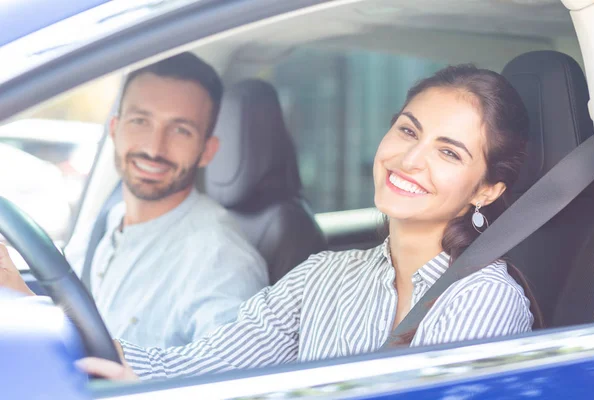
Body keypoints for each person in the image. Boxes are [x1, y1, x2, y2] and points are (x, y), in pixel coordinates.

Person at [3, 64, 540, 381]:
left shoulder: (482, 299)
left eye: (448, 153)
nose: (409, 160)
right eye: (407, 131)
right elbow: (198, 368)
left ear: (487, 189)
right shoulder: (324, 277)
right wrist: (36, 314)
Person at [0, 52, 269, 349]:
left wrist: (27, 304)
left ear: (207, 150)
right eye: (141, 121)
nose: (155, 148)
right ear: (115, 129)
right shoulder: (106, 223)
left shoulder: (222, 261)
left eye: (181, 130)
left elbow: (225, 385)